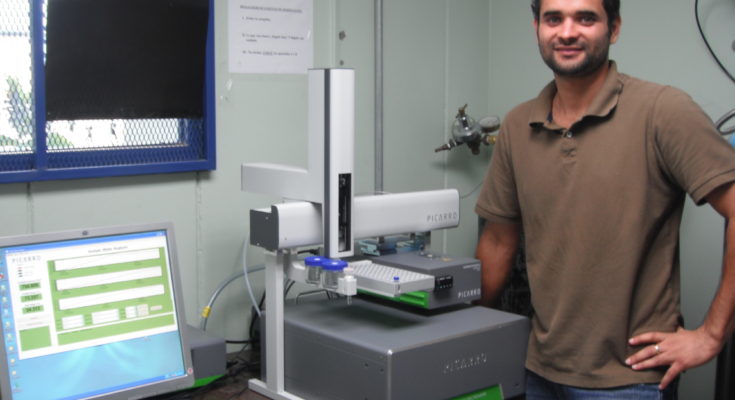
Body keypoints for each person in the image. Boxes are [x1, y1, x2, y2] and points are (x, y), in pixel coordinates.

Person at [474, 0, 735, 398]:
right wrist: (459, 329)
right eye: (553, 19)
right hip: (537, 370)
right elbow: (497, 240)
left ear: (613, 28)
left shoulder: (662, 111)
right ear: (537, 29)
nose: (566, 32)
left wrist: (712, 334)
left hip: (629, 381)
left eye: (586, 18)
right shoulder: (517, 125)